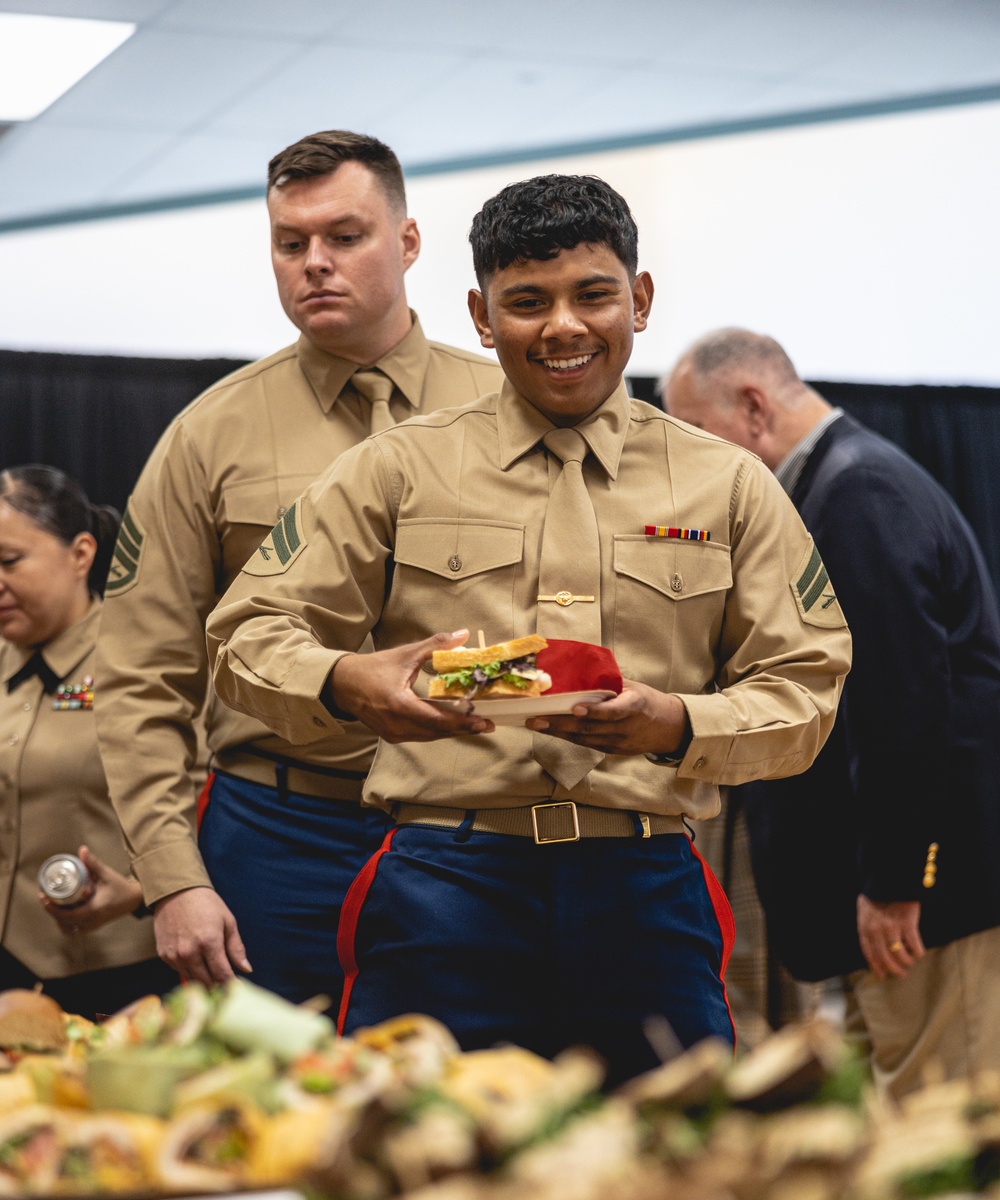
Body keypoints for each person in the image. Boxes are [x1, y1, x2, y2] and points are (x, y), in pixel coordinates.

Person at [206, 175, 850, 1085]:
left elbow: (809, 685)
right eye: (526, 302)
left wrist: (676, 723)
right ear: (479, 314)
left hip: (646, 885)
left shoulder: (730, 485)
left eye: (593, 294)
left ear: (640, 299)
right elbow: (245, 631)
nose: (563, 327)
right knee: (409, 1162)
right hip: (445, 880)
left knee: (669, 1172)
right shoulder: (396, 469)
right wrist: (352, 684)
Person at [95, 130, 501, 1001]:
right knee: (279, 1109)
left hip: (475, 823)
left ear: (407, 242)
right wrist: (172, 876)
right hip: (279, 830)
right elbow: (140, 675)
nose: (314, 263)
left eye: (344, 237)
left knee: (465, 1101)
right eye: (291, 243)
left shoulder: (509, 412)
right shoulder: (212, 434)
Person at [664, 328, 1000, 1096]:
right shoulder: (842, 485)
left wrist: (895, 883)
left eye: (697, 435)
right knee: (895, 1124)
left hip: (922, 905)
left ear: (753, 407)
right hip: (898, 905)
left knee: (943, 1133)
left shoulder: (856, 493)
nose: (692, 465)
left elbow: (904, 704)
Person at [0, 466, 175, 1018]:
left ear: (81, 554)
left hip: (111, 971)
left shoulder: (144, 664)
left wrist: (149, 887)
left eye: (9, 562)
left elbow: (211, 803)